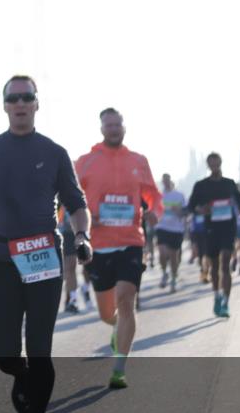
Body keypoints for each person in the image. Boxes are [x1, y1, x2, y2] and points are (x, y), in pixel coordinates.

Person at [0, 75, 91, 413]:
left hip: (43, 260)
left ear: (37, 104)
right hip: (2, 260)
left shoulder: (53, 152)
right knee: (4, 353)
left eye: (27, 97)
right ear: (4, 105)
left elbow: (76, 201)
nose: (20, 103)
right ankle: (20, 376)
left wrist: (82, 237)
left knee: (39, 349)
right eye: (13, 98)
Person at [75, 108, 162, 389]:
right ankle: (114, 328)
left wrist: (154, 212)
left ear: (124, 127)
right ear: (101, 129)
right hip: (99, 244)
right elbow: (70, 198)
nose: (113, 129)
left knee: (127, 300)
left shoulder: (138, 161)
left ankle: (119, 367)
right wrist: (85, 218)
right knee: (106, 312)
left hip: (131, 241)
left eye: (118, 124)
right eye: (108, 125)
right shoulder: (86, 162)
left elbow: (152, 195)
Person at [187, 152, 240, 317]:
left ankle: (226, 302)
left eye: (217, 164)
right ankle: (217, 296)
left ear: (221, 163)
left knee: (226, 262)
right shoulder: (201, 185)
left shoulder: (229, 183)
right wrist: (201, 209)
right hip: (210, 228)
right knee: (214, 266)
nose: (214, 167)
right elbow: (191, 206)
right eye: (211, 165)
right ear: (208, 165)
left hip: (228, 227)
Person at [155, 173, 187, 293]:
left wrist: (178, 210)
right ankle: (164, 273)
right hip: (162, 227)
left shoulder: (179, 195)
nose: (166, 182)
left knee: (174, 256)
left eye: (167, 180)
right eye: (164, 180)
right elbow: (153, 210)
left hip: (176, 229)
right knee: (162, 253)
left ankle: (173, 279)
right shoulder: (159, 196)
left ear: (171, 181)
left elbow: (186, 211)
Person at [58, 206, 81, 314]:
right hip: (58, 233)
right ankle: (70, 298)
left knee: (71, 267)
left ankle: (73, 299)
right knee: (67, 269)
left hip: (72, 232)